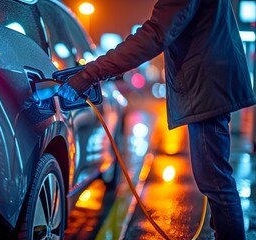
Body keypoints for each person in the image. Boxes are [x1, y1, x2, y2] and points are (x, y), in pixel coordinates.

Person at [58, 0, 256, 239]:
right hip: (212, 81)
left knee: (216, 182)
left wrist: (91, 73)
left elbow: (156, 34)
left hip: (208, 84)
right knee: (215, 181)